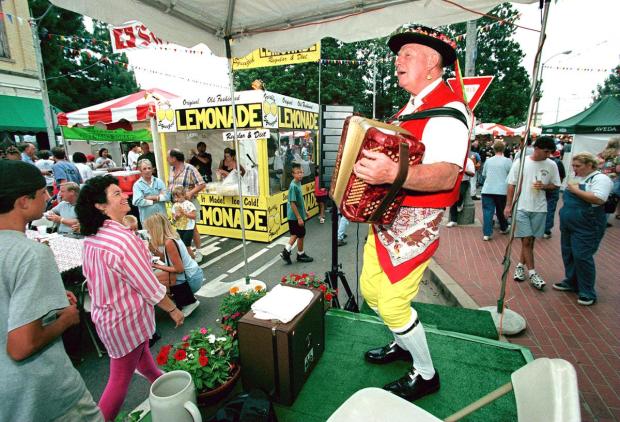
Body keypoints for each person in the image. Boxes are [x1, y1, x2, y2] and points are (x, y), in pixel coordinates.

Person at [352, 25, 469, 402]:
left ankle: (426, 373)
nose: (397, 60)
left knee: (392, 302)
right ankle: (402, 343)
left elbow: (448, 172)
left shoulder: (449, 111)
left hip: (415, 226)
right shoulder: (411, 108)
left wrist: (391, 174)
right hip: (385, 220)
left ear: (433, 65)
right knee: (371, 290)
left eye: (408, 54)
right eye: (398, 55)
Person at [0, 160, 103, 422]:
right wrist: (66, 319)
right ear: (24, 201)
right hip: (40, 393)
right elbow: (22, 345)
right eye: (43, 191)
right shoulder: (31, 254)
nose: (49, 196)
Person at [76, 175, 184, 421]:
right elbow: (148, 284)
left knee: (143, 359)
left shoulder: (93, 237)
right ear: (100, 206)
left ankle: (165, 384)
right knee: (119, 380)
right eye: (116, 194)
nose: (124, 195)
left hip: (106, 317)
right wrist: (173, 309)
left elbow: (89, 276)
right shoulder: (123, 239)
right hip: (125, 320)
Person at [553, 152, 613, 306]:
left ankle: (587, 291)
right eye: (573, 165)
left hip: (588, 225)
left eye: (577, 166)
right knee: (569, 253)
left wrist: (575, 190)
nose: (574, 168)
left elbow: (599, 198)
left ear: (590, 165)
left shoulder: (600, 179)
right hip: (569, 224)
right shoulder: (577, 177)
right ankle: (571, 281)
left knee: (582, 256)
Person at [505, 137, 561, 291]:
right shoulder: (521, 162)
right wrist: (508, 205)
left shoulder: (552, 165)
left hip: (540, 208)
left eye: (550, 152)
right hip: (521, 206)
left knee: (529, 242)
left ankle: (519, 266)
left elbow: (556, 185)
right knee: (527, 241)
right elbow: (511, 184)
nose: (549, 154)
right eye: (546, 151)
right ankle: (533, 273)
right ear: (537, 148)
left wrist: (544, 186)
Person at [144, 213, 202, 317]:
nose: (148, 233)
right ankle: (185, 299)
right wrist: (153, 250)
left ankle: (189, 302)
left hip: (191, 278)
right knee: (157, 277)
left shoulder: (169, 242)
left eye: (149, 230)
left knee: (153, 280)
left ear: (155, 229)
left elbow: (179, 269)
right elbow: (168, 259)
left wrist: (156, 266)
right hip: (194, 274)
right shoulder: (171, 238)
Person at [167, 149, 205, 261]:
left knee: (193, 228)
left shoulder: (190, 168)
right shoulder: (171, 169)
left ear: (174, 158)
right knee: (180, 227)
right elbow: (171, 184)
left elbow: (202, 184)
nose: (167, 159)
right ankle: (187, 252)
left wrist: (190, 193)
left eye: (168, 157)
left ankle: (198, 252)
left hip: (189, 203)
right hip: (176, 204)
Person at [280, 163, 314, 264]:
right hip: (294, 216)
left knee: (296, 234)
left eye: (301, 172)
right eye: (298, 173)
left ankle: (287, 252)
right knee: (300, 234)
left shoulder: (298, 183)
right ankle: (300, 254)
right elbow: (292, 203)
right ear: (293, 174)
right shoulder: (293, 186)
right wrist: (299, 217)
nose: (300, 174)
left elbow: (300, 200)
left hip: (298, 214)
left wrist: (305, 211)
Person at [480, 140, 513, 240]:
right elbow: (511, 175)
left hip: (487, 189)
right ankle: (503, 227)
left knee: (487, 211)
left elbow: (484, 174)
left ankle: (487, 233)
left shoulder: (488, 161)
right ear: (503, 149)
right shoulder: (507, 161)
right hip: (501, 190)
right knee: (500, 210)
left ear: (493, 149)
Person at [132, 159, 167, 226]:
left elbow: (167, 196)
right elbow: (137, 201)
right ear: (140, 171)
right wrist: (153, 201)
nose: (147, 170)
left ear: (152, 169)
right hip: (148, 221)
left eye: (149, 168)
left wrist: (152, 198)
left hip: (162, 219)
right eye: (144, 169)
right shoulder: (137, 185)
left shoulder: (159, 181)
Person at [445, 156, 475, 227]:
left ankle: (460, 203)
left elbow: (472, 174)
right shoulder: (453, 160)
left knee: (460, 193)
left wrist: (464, 171)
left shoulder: (468, 161)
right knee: (452, 199)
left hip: (464, 181)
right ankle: (453, 220)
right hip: (453, 181)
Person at [543, 149, 566, 238]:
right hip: (553, 189)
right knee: (550, 209)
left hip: (542, 188)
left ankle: (539, 228)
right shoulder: (558, 162)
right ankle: (546, 230)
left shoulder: (543, 162)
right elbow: (561, 177)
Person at [171, 185, 198, 258]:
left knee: (187, 246)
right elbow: (173, 218)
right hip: (179, 228)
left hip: (188, 229)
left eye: (178, 197)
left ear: (184, 195)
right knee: (180, 247)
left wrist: (184, 213)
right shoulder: (175, 205)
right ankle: (186, 261)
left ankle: (193, 261)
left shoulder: (189, 204)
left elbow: (194, 216)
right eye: (175, 197)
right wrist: (176, 216)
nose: (176, 199)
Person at [597, 136, 620, 220]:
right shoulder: (618, 156)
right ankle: (603, 221)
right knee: (609, 201)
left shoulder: (601, 154)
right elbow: (618, 169)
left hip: (600, 178)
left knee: (600, 198)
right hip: (613, 180)